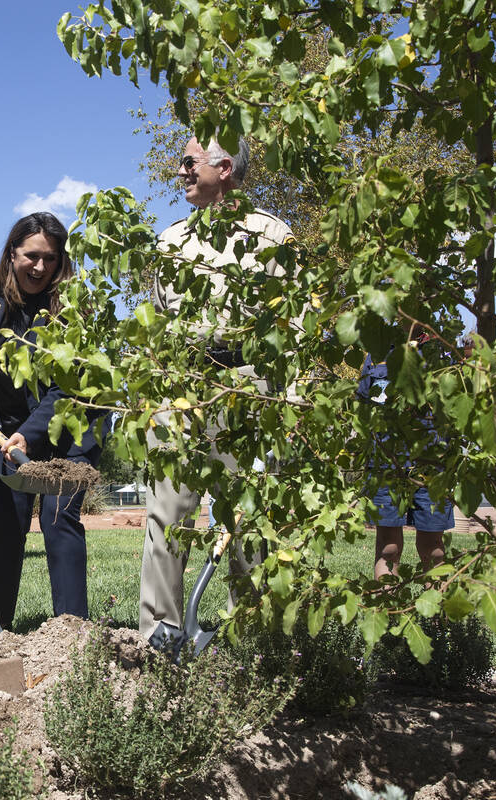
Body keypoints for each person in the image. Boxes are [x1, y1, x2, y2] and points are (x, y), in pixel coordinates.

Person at [138, 136, 294, 643]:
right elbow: (156, 329)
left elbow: (294, 329)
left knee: (249, 521)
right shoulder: (169, 242)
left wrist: (288, 408)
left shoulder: (273, 237)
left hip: (250, 389)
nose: (180, 171)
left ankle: (245, 644)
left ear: (224, 168)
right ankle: (160, 635)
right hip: (181, 389)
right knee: (166, 516)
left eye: (189, 162)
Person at [0, 212, 103, 630]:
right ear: (12, 254)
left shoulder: (72, 305)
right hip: (8, 429)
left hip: (71, 426)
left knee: (57, 517)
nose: (40, 267)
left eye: (50, 258)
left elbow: (68, 388)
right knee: (6, 524)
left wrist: (26, 436)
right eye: (31, 256)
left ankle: (72, 632)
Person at [358, 340, 455, 578]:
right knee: (387, 547)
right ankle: (387, 610)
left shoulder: (442, 350)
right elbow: (364, 401)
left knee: (434, 549)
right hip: (386, 463)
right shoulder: (378, 350)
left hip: (431, 463)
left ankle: (436, 612)